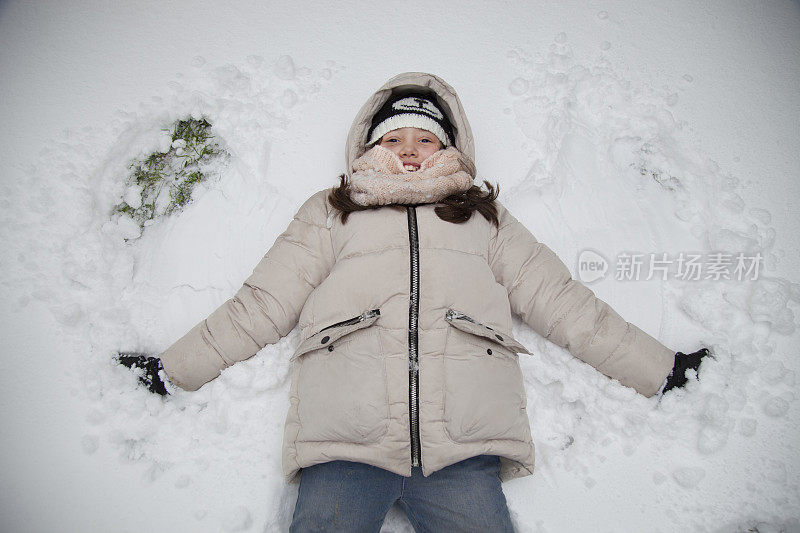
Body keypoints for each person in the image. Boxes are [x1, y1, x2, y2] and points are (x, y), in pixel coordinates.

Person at [119, 72, 709, 532]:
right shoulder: (332, 213)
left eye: (425, 139)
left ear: (448, 146)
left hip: (461, 450)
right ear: (368, 146)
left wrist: (660, 370)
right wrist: (174, 371)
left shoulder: (483, 220)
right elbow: (262, 305)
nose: (409, 151)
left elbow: (563, 302)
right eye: (394, 138)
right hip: (346, 443)